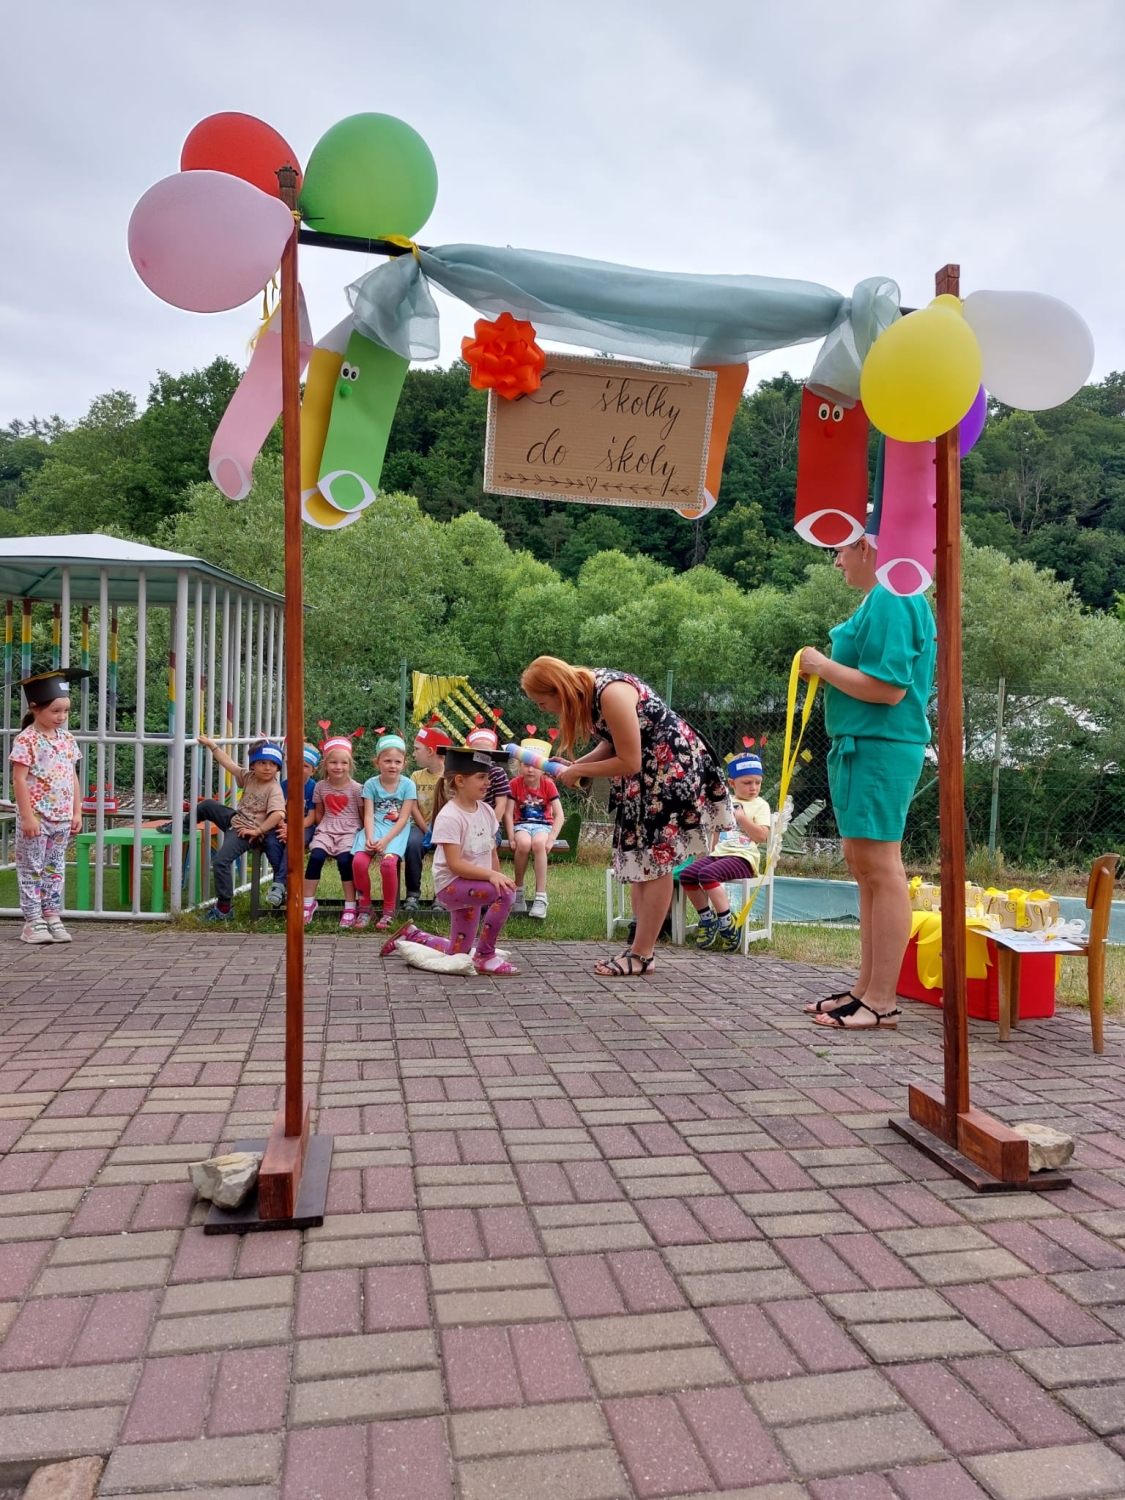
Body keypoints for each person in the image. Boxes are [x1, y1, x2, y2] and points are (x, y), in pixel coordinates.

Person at [798, 534, 937, 1030]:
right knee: (863, 866)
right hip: (862, 745)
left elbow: (890, 689)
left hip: (881, 746)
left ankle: (881, 1000)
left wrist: (822, 665)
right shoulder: (884, 595)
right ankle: (864, 989)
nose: (836, 562)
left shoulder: (896, 594)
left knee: (880, 867)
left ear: (866, 547)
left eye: (839, 551)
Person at [521, 656, 731, 977]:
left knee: (655, 861)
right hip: (646, 776)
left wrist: (579, 770)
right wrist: (576, 767)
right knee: (639, 862)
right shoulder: (591, 694)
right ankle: (638, 949)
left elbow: (629, 760)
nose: (542, 709)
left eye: (541, 702)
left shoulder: (611, 693)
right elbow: (612, 743)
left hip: (668, 771)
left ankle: (642, 954)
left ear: (558, 690)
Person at [382, 746, 519, 975]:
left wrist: (497, 876)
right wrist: (493, 878)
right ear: (460, 781)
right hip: (453, 885)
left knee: (458, 952)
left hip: (474, 883)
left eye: (488, 777)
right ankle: (485, 956)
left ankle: (413, 936)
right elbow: (455, 865)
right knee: (506, 893)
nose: (488, 783)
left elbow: (491, 852)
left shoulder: (486, 811)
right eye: (481, 777)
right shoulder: (449, 816)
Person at [10, 669, 87, 945]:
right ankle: (33, 920)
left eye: (65, 711)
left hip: (62, 819)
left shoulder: (66, 739)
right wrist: (28, 817)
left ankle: (51, 914)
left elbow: (72, 776)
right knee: (31, 867)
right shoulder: (26, 740)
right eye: (55, 711)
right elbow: (19, 779)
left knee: (54, 867)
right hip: (37, 818)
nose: (61, 716)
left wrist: (76, 811)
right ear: (35, 707)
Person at [679, 750, 771, 951]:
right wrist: (711, 853)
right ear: (732, 783)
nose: (753, 787)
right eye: (747, 783)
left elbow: (762, 837)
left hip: (743, 858)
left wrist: (742, 818)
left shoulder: (761, 805)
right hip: (720, 855)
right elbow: (717, 831)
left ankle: (728, 924)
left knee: (707, 874)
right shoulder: (725, 802)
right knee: (687, 875)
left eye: (758, 782)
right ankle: (707, 919)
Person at [195, 737, 287, 921]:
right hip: (235, 819)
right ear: (253, 765)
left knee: (221, 862)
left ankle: (223, 909)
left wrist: (259, 831)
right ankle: (182, 826)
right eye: (262, 763)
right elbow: (229, 764)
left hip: (247, 832)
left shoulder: (274, 789)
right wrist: (212, 746)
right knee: (207, 805)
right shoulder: (248, 777)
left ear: (278, 768)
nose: (267, 768)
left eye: (272, 764)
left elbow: (278, 814)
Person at [352, 733, 418, 931]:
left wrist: (386, 840)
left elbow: (404, 818)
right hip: (374, 828)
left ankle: (389, 911)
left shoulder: (408, 785)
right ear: (377, 762)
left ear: (404, 764)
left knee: (388, 864)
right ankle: (365, 908)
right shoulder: (371, 784)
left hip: (395, 832)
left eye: (397, 762)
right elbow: (368, 815)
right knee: (358, 862)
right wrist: (370, 837)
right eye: (387, 761)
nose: (392, 765)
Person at [302, 738, 363, 928]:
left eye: (343, 763)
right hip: (327, 828)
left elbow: (362, 815)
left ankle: (350, 906)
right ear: (325, 765)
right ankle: (307, 903)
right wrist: (327, 831)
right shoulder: (320, 787)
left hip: (350, 830)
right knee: (316, 857)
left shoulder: (356, 788)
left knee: (345, 860)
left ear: (349, 765)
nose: (338, 767)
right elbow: (319, 814)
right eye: (333, 762)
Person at [504, 735, 565, 919]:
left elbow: (559, 815)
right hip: (522, 825)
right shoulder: (514, 784)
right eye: (526, 764)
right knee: (523, 844)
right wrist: (511, 837)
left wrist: (552, 838)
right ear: (519, 766)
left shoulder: (548, 785)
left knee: (539, 844)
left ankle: (540, 897)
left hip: (543, 826)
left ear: (543, 768)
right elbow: (508, 813)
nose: (530, 769)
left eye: (535, 765)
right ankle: (518, 892)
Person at [268, 742, 321, 908]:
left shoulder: (314, 788)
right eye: (295, 764)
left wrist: (292, 830)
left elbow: (312, 817)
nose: (299, 769)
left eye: (305, 766)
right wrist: (283, 827)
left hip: (304, 827)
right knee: (270, 842)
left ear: (313, 770)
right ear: (287, 764)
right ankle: (283, 886)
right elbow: (276, 810)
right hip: (281, 826)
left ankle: (279, 884)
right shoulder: (280, 787)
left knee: (295, 841)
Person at [404, 723, 451, 911]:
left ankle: (442, 895)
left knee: (449, 848)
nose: (413, 754)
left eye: (417, 749)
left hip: (446, 828)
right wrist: (426, 830)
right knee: (412, 844)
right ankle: (412, 894)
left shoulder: (451, 776)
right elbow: (413, 806)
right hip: (420, 826)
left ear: (431, 751)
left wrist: (438, 832)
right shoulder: (416, 776)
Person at [465, 722, 510, 825]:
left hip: (491, 823)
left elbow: (501, 805)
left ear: (493, 752)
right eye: (477, 751)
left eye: (485, 751)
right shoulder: (463, 772)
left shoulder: (498, 773)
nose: (481, 755)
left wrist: (491, 828)